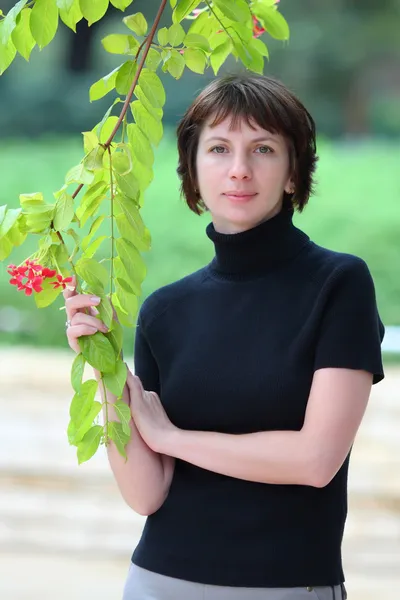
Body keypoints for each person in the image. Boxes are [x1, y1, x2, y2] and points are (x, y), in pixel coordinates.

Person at [64, 74, 385, 600]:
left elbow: (315, 460)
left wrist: (172, 439)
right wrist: (106, 369)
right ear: (192, 170)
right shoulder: (164, 310)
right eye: (218, 148)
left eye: (262, 148)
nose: (239, 169)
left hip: (285, 585)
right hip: (159, 582)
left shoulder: (339, 284)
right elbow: (146, 494)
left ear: (291, 173)